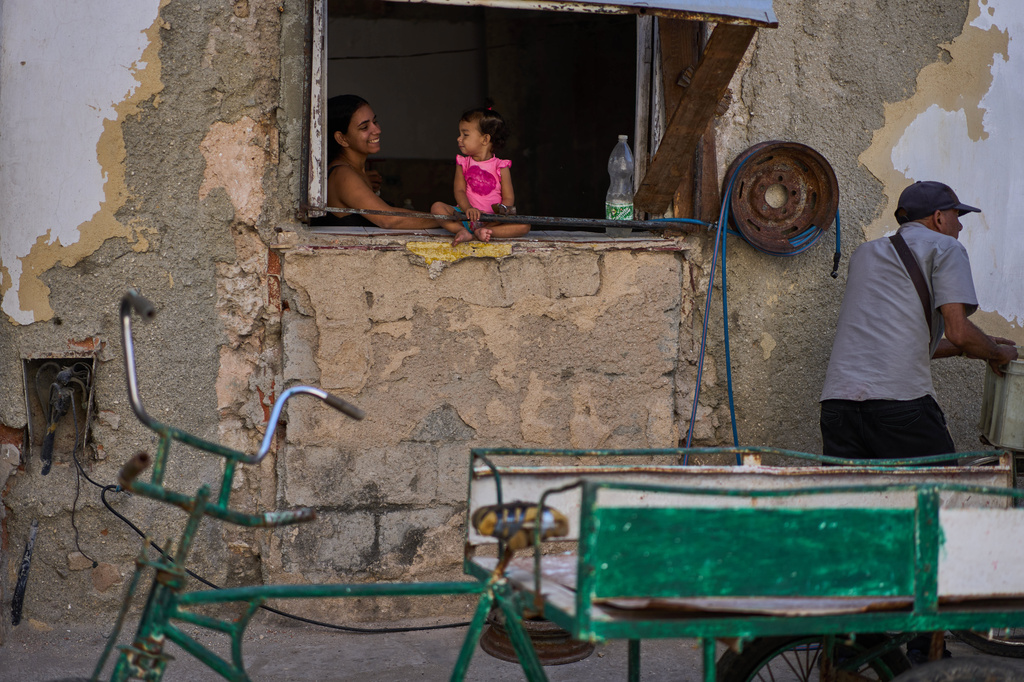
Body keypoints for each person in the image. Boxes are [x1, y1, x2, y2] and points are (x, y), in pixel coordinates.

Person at [819, 180, 1018, 664]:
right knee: (943, 513)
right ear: (938, 219)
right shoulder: (945, 249)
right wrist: (997, 353)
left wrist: (981, 347)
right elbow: (956, 329)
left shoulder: (868, 254)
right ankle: (922, 646)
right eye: (957, 217)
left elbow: (923, 342)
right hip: (901, 407)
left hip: (840, 405)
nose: (960, 227)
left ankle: (862, 645)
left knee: (864, 522)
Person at [312, 94, 441, 230]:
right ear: (342, 138)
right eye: (364, 127)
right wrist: (449, 220)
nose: (377, 130)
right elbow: (388, 219)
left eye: (375, 121)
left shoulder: (357, 173)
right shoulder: (342, 175)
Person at [430, 107, 531, 245]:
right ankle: (461, 231)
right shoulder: (463, 163)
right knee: (437, 207)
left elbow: (508, 197)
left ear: (485, 139)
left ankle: (486, 232)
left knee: (525, 225)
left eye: (465, 134)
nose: (459, 138)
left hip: (492, 221)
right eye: (460, 134)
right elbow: (459, 190)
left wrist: (499, 216)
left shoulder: (501, 166)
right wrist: (468, 209)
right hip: (465, 217)